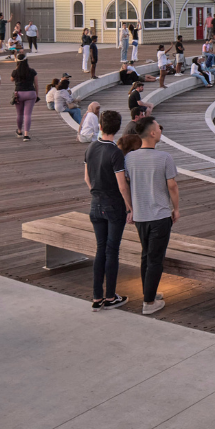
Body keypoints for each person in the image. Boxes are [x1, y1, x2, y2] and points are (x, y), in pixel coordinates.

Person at [123, 116, 180, 315]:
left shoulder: (129, 157)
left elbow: (127, 184)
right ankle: (148, 303)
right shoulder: (164, 157)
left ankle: (150, 292)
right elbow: (172, 185)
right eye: (158, 127)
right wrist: (176, 208)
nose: (160, 130)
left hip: (140, 215)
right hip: (159, 215)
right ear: (153, 133)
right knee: (155, 258)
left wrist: (131, 208)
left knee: (146, 256)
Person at [84, 110, 134, 311]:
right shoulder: (115, 152)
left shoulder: (91, 147)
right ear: (118, 128)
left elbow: (87, 178)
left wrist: (96, 193)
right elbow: (122, 185)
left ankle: (97, 297)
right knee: (112, 251)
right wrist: (129, 206)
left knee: (100, 249)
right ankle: (111, 296)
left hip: (95, 203)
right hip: (113, 206)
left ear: (100, 126)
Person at [11, 53, 38, 141]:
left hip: (19, 94)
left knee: (19, 114)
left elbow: (11, 79)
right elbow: (36, 84)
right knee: (27, 114)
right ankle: (26, 135)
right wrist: (36, 94)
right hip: (30, 93)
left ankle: (19, 131)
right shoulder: (32, 71)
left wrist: (17, 67)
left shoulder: (15, 72)